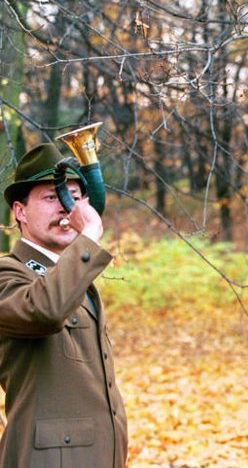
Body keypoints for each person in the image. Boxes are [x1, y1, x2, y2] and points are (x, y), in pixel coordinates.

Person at [0, 143, 127, 467]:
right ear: (20, 212)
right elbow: (44, 311)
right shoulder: (8, 273)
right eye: (51, 197)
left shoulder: (72, 276)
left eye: (72, 196)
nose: (65, 208)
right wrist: (90, 235)